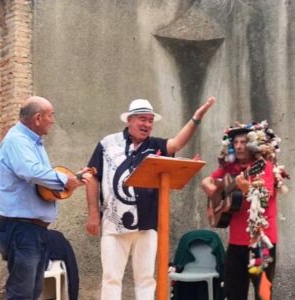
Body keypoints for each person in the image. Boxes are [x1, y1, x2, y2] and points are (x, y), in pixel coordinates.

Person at [85, 96, 216, 300]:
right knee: (111, 278)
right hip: (113, 223)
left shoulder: (155, 145)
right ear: (129, 120)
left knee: (146, 279)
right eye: (142, 119)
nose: (147, 124)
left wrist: (196, 118)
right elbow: (92, 177)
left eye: (150, 120)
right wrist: (93, 214)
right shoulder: (107, 143)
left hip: (147, 224)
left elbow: (177, 143)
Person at [0, 96, 91, 300]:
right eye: (51, 115)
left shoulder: (31, 142)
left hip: (31, 230)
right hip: (22, 230)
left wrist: (73, 179)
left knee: (32, 292)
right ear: (38, 118)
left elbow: (43, 184)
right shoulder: (17, 141)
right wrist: (66, 180)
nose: (53, 120)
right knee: (22, 293)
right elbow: (32, 172)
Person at [201, 121, 289, 300]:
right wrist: (209, 189)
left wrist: (246, 187)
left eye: (243, 142)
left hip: (261, 243)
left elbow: (263, 198)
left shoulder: (264, 167)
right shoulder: (229, 169)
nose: (239, 146)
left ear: (252, 145)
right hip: (236, 242)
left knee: (262, 294)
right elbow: (209, 181)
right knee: (232, 293)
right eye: (235, 143)